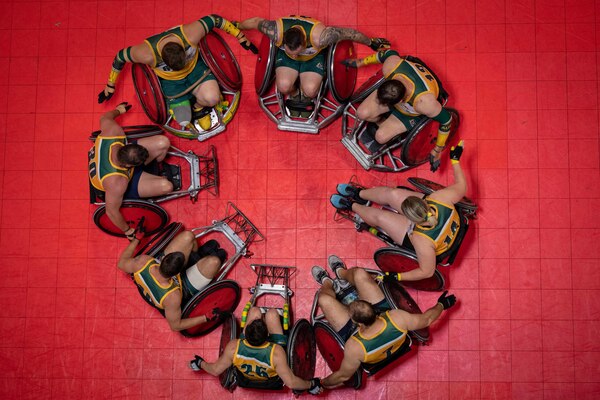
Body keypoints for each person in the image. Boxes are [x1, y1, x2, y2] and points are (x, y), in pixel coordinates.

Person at [311, 256, 456, 388]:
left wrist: (321, 383)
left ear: (356, 322)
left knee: (324, 299)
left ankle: (327, 283)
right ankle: (341, 272)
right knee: (360, 273)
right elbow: (427, 319)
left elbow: (343, 375)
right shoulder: (398, 318)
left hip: (360, 340)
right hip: (390, 332)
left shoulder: (354, 347)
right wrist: (442, 304)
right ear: (372, 308)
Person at [330, 141, 467, 282]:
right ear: (424, 201)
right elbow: (461, 186)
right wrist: (455, 160)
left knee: (381, 218)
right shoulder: (440, 198)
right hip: (438, 226)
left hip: (433, 244)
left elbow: (427, 272)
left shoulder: (419, 240)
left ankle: (350, 206)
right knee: (393, 194)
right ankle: (359, 194)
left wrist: (398, 276)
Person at [97, 15, 257, 130]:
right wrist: (110, 85)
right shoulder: (146, 53)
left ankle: (198, 104)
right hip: (172, 83)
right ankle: (188, 105)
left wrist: (241, 37)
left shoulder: (191, 34)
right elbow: (119, 57)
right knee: (183, 120)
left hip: (195, 71)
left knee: (213, 98)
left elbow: (216, 20)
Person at [343, 49, 456, 171]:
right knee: (361, 113)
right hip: (396, 95)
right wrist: (359, 62)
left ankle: (392, 130)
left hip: (411, 112)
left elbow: (446, 120)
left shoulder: (424, 103)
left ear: (401, 101)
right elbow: (387, 53)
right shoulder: (390, 67)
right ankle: (384, 123)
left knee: (380, 137)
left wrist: (437, 149)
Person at [239, 15, 389, 106]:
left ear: (304, 43)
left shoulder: (321, 37)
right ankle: (296, 91)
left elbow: (350, 34)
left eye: (298, 52)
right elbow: (255, 21)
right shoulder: (275, 31)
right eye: (292, 51)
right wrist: (237, 26)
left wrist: (371, 43)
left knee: (310, 91)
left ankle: (304, 91)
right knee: (284, 87)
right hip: (286, 58)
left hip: (313, 57)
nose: (297, 55)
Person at [189, 307, 323, 395]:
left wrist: (200, 363)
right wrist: (311, 384)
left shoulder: (233, 347)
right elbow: (291, 382)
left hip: (246, 378)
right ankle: (270, 317)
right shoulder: (276, 352)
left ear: (245, 334)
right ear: (268, 337)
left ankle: (257, 315)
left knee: (254, 311)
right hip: (270, 378)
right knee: (271, 314)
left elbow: (215, 370)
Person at [88, 103, 173, 239]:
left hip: (111, 164)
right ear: (129, 165)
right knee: (167, 186)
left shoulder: (114, 133)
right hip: (111, 180)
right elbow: (111, 212)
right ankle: (154, 178)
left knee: (164, 142)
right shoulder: (117, 183)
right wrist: (127, 230)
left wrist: (118, 110)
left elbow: (105, 117)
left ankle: (157, 167)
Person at [117, 229, 227, 331]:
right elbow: (175, 326)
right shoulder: (173, 297)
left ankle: (198, 255)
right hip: (180, 290)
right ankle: (199, 261)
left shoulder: (143, 261)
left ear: (164, 258)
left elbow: (121, 263)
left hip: (161, 279)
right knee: (214, 262)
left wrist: (136, 240)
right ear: (178, 272)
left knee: (188, 235)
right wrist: (205, 318)